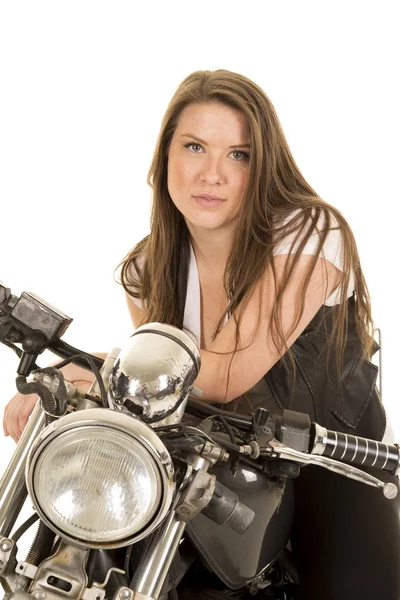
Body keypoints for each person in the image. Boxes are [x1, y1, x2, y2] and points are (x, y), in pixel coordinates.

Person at [3, 69, 399, 598]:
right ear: (165, 157)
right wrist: (72, 371)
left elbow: (226, 375)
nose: (212, 173)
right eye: (195, 147)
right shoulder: (150, 268)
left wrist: (93, 366)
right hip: (225, 466)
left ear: (263, 169)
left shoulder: (308, 233)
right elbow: (156, 379)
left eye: (239, 155)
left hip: (330, 464)